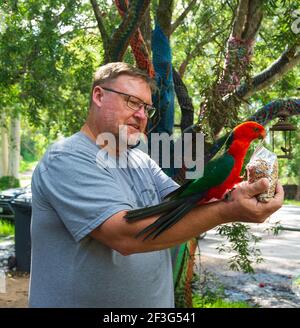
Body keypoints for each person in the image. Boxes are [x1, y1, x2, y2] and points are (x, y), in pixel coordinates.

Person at [29, 62, 284, 308]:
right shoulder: (67, 158)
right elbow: (125, 237)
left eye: (146, 108)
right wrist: (227, 210)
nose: (141, 115)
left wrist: (235, 194)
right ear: (98, 95)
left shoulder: (140, 159)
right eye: (132, 102)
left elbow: (181, 204)